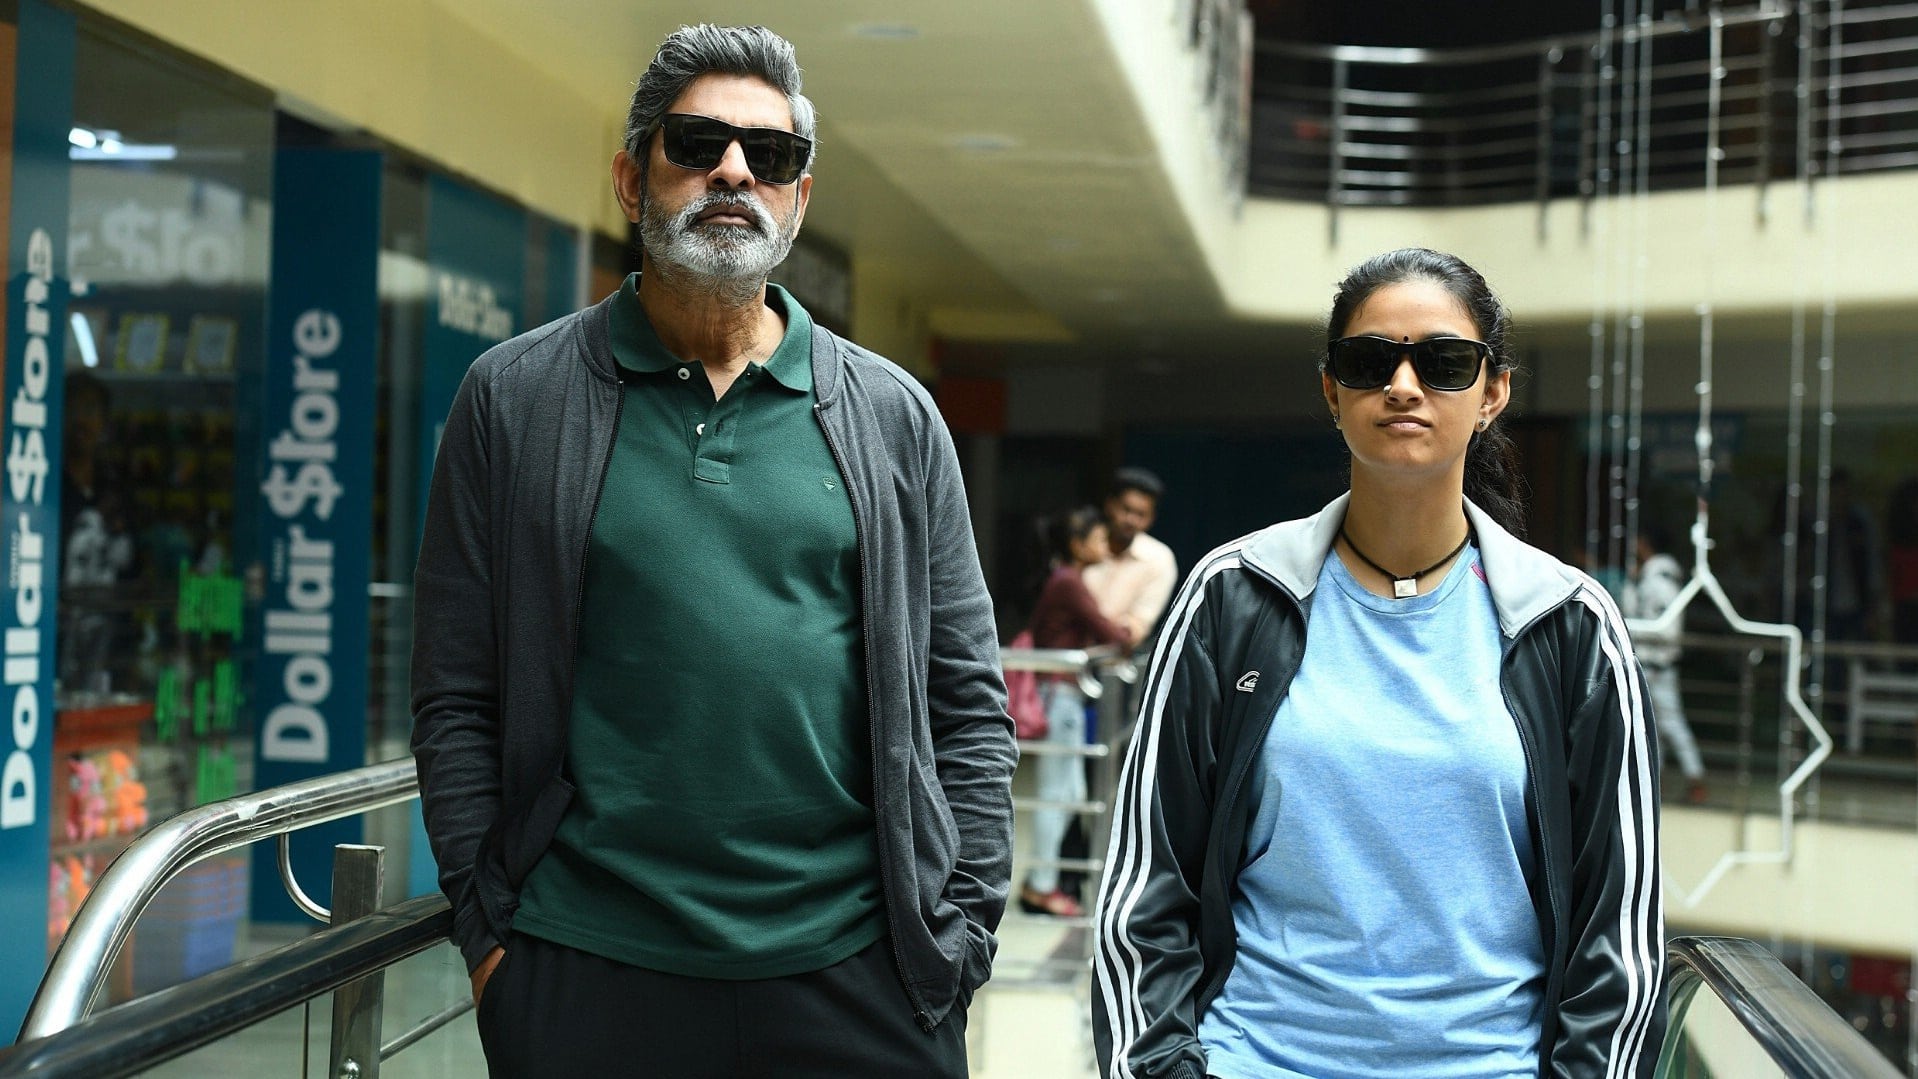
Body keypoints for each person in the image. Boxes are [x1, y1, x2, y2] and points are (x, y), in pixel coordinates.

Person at [410, 25, 1014, 1077]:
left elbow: (964, 698)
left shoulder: (892, 415)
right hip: (586, 969)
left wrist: (955, 939)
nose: (734, 170)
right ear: (629, 180)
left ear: (797, 199)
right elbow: (456, 690)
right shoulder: (514, 398)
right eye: (697, 144)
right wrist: (491, 942)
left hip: (860, 974)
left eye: (769, 155)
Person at [1094, 248, 1666, 1079]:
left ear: (1493, 393)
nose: (1403, 385)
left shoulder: (1571, 625)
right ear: (1332, 392)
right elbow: (1147, 884)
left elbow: (1620, 931)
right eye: (1369, 362)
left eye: (1444, 362)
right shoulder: (1233, 595)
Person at [1020, 506, 1130, 918]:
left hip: (1063, 695)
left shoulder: (1064, 578)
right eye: (1098, 538)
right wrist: (1127, 633)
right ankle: (1041, 887)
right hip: (1059, 696)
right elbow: (1110, 633)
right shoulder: (1068, 582)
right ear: (1077, 544)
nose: (1105, 545)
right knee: (1058, 794)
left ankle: (1041, 882)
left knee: (1071, 795)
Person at [1621, 524, 1709, 804]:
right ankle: (1654, 784)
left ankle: (1696, 779)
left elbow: (1667, 630)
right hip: (1646, 663)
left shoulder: (1661, 581)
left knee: (1671, 724)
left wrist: (1632, 629)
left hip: (1658, 665)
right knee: (1651, 729)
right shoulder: (1646, 577)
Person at [1083, 466, 1179, 648]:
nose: (1131, 520)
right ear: (1110, 505)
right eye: (1126, 509)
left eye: (1141, 514)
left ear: (1152, 518)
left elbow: (1136, 629)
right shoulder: (1084, 544)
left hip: (1115, 659)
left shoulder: (1159, 559)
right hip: (1062, 654)